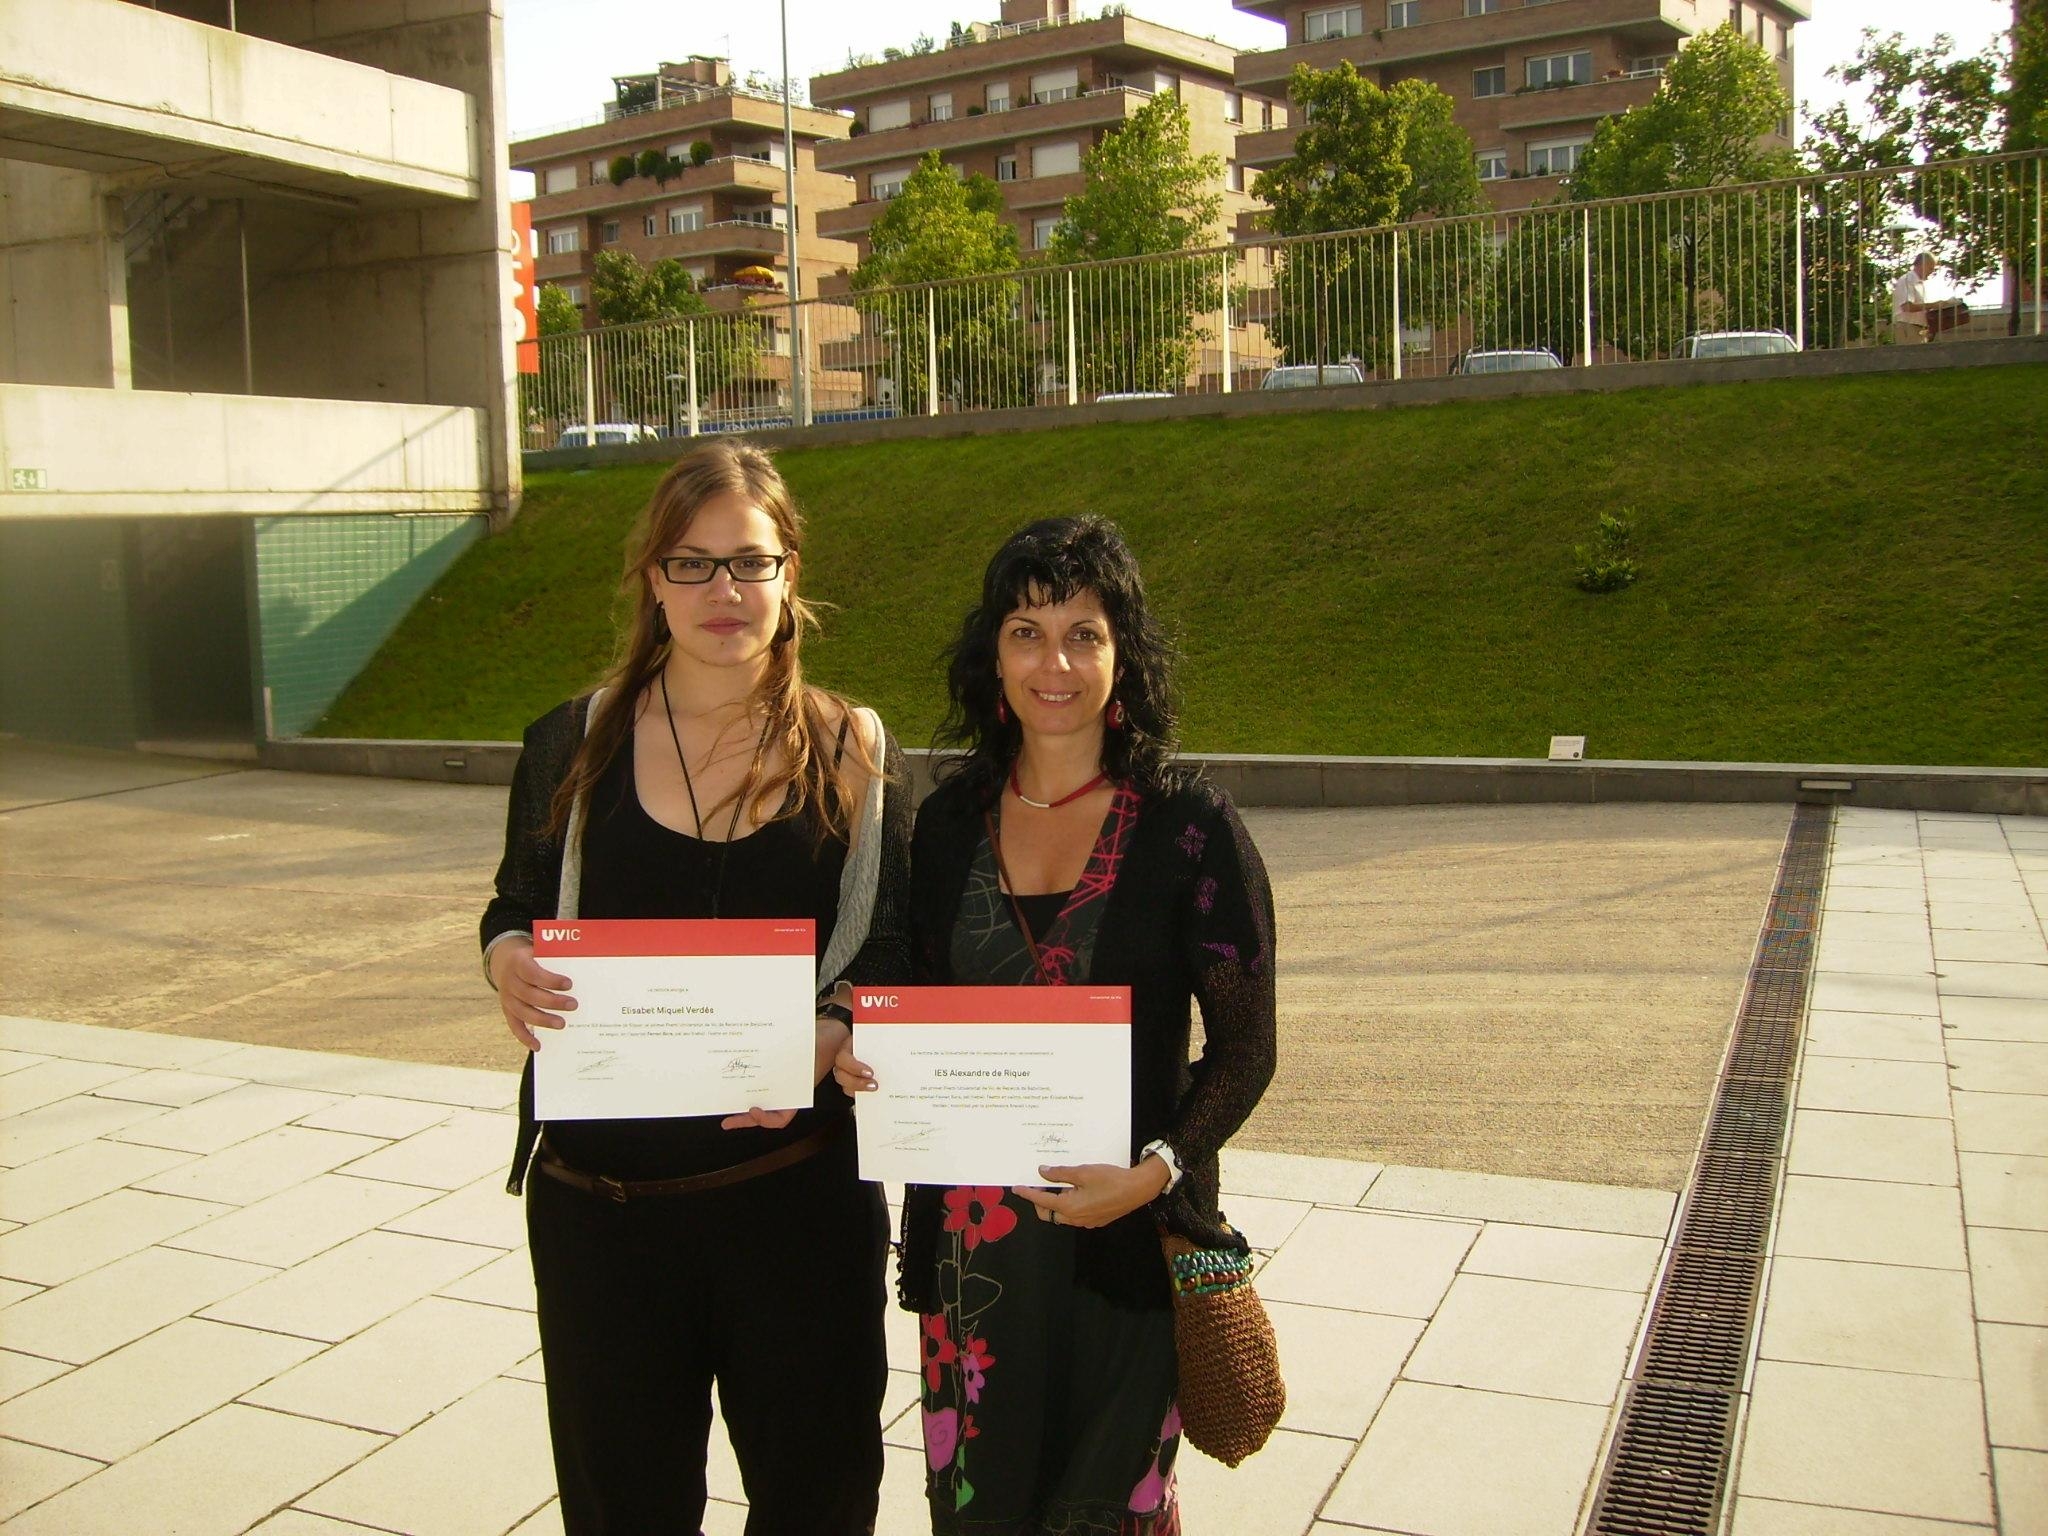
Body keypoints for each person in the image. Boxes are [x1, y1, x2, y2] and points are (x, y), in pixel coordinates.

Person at [480, 440, 910, 1535]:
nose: (724, 590)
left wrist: (832, 1026)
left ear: (788, 576)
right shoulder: (571, 744)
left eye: (749, 563)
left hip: (794, 1209)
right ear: (651, 581)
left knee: (816, 1504)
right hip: (605, 1219)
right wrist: (506, 961)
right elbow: (515, 904)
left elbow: (892, 950)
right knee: (624, 1508)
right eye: (692, 563)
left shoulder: (851, 750)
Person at [836, 516, 1277, 1536]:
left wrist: (1159, 1167)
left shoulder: (1188, 826)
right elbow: (898, 983)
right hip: (972, 1264)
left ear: (1122, 658)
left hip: (1130, 1247)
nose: (1056, 662)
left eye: (1084, 632)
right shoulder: (947, 823)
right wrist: (862, 1041)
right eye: (1028, 631)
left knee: (1103, 1517)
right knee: (979, 1519)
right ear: (992, 654)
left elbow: (1246, 1045)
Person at [1892, 253, 1939, 343]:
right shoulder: (1907, 280)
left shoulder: (1921, 284)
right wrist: (1934, 305)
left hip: (1919, 329)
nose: (1932, 272)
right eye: (1930, 268)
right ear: (1923, 264)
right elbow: (1907, 307)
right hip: (1908, 327)